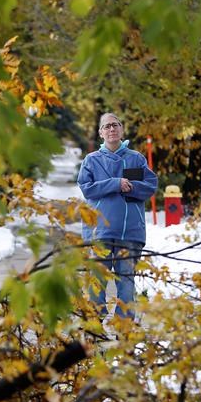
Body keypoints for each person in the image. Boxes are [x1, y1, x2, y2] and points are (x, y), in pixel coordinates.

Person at [77, 112, 158, 321]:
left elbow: (150, 185)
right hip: (100, 232)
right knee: (97, 283)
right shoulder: (91, 160)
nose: (112, 129)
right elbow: (87, 188)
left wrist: (128, 187)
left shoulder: (136, 158)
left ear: (122, 129)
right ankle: (94, 329)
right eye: (107, 126)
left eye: (116, 125)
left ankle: (125, 330)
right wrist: (115, 183)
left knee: (126, 284)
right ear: (101, 133)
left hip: (129, 233)